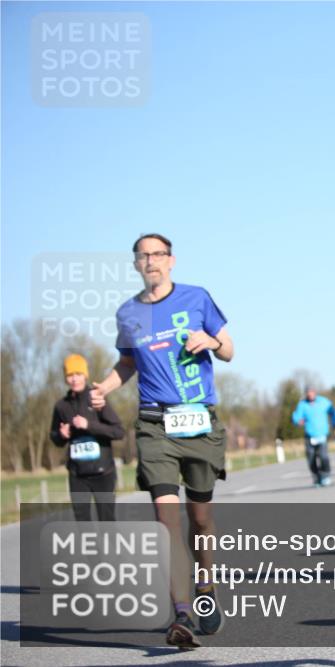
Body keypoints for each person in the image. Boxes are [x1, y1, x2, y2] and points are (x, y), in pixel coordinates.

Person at [91, 233, 233, 649]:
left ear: (171, 261)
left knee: (201, 519)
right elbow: (127, 363)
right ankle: (182, 614)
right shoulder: (128, 313)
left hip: (200, 421)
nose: (150, 261)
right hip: (155, 424)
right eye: (143, 256)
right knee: (166, 522)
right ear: (136, 264)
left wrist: (210, 340)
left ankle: (205, 588)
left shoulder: (197, 298)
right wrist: (105, 387)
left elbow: (229, 350)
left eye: (157, 254)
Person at [50, 353, 124, 522]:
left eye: (78, 374)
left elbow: (118, 431)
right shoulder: (61, 406)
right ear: (66, 378)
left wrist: (89, 425)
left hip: (103, 473)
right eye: (70, 375)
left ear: (85, 375)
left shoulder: (97, 398)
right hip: (77, 475)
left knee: (107, 521)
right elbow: (54, 437)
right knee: (82, 522)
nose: (74, 379)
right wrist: (61, 435)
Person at [291, 386, 335, 487]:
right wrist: (297, 421)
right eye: (308, 393)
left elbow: (333, 412)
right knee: (311, 458)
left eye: (312, 392)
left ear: (315, 393)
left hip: (322, 434)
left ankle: (325, 476)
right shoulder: (302, 404)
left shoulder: (324, 402)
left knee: (323, 456)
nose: (310, 394)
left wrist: (334, 424)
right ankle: (316, 477)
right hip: (309, 435)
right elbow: (296, 417)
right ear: (306, 394)